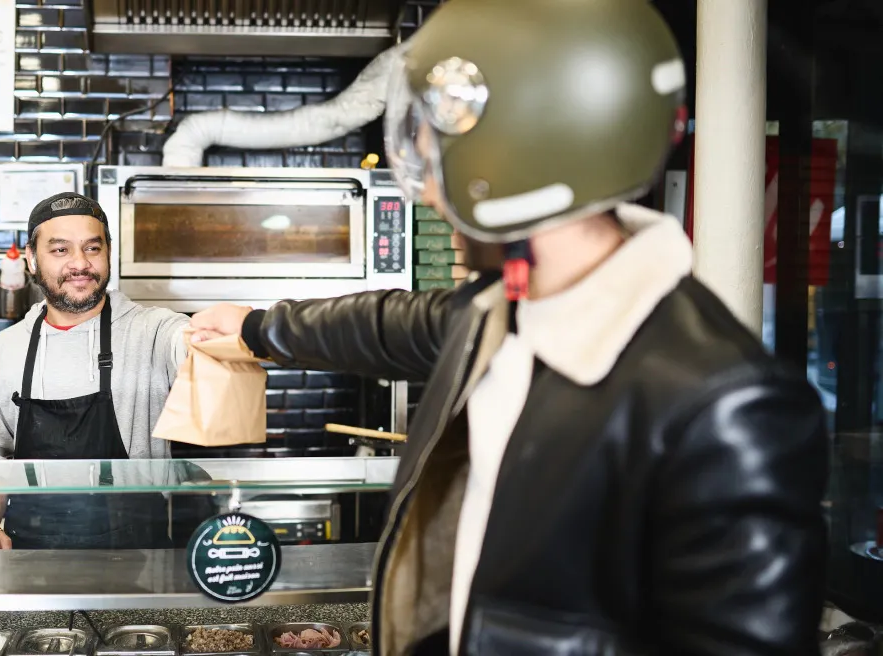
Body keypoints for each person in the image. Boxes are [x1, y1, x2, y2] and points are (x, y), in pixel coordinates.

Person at [190, 0, 828, 654]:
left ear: (519, 146)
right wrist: (256, 328)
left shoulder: (725, 408)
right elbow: (382, 326)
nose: (433, 190)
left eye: (438, 146)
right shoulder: (502, 314)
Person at [0, 192, 189, 550]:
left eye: (92, 248)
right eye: (60, 250)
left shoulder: (153, 331)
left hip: (139, 559)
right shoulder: (5, 348)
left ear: (109, 253)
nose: (79, 263)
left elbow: (192, 344)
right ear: (31, 259)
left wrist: (219, 337)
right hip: (29, 560)